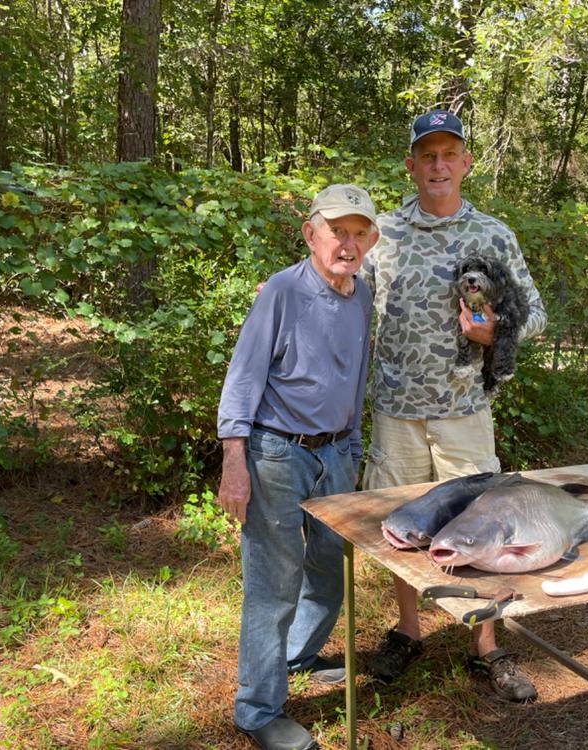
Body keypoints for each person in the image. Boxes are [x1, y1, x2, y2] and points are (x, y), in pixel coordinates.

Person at [361, 110, 547, 702]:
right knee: (400, 528)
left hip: (465, 411)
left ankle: (487, 647)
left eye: (450, 154)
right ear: (412, 165)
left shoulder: (494, 235)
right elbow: (336, 289)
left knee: (485, 526)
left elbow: (535, 314)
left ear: (466, 163)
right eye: (427, 155)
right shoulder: (382, 234)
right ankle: (408, 631)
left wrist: (498, 336)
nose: (438, 165)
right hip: (395, 410)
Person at [217, 184, 378, 750]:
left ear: (372, 241)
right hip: (277, 453)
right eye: (338, 231)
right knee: (274, 583)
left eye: (360, 233)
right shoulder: (282, 292)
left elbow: (353, 379)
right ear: (311, 233)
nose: (348, 243)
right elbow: (243, 378)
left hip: (335, 452)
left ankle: (297, 657)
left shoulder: (362, 296)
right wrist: (234, 462)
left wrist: (353, 450)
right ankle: (258, 709)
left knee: (330, 569)